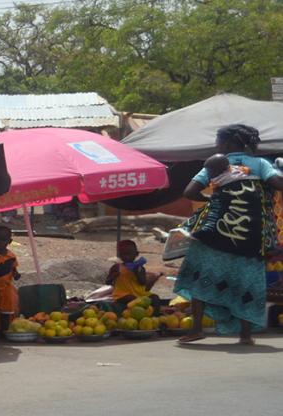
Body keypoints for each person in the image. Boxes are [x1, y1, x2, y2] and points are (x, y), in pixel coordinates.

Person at [176, 124, 283, 345]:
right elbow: (276, 184)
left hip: (215, 233)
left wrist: (212, 199)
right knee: (247, 281)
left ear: (226, 143)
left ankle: (196, 328)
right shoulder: (261, 164)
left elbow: (189, 192)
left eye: (218, 141)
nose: (216, 145)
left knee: (198, 274)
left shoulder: (214, 163)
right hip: (250, 237)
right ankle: (245, 335)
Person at [105, 240, 160, 305]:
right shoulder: (116, 267)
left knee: (155, 298)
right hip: (122, 294)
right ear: (119, 255)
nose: (126, 257)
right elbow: (108, 282)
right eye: (123, 254)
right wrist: (113, 276)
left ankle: (154, 313)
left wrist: (137, 272)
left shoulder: (140, 268)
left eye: (129, 254)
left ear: (136, 254)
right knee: (132, 299)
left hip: (140, 293)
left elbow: (143, 283)